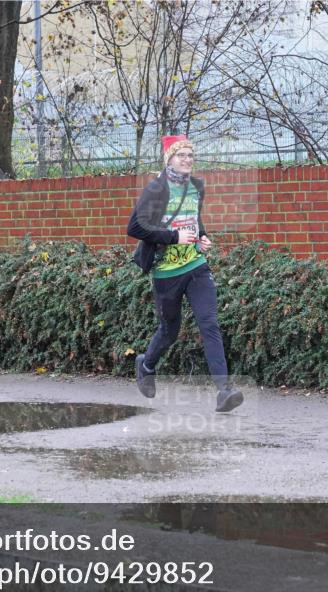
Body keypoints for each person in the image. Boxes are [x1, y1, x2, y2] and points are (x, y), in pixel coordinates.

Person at [127, 135, 243, 412]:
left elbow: (193, 219)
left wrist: (202, 237)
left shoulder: (195, 188)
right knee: (170, 330)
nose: (188, 160)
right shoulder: (156, 189)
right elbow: (135, 228)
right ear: (170, 159)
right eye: (182, 155)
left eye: (191, 155)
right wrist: (173, 237)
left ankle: (224, 390)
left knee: (209, 323)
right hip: (167, 273)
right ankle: (146, 364)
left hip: (195, 267)